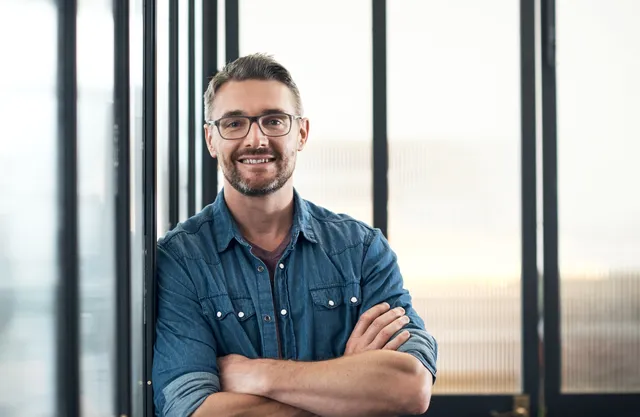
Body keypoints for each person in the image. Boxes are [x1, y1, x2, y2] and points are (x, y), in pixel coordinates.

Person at [152, 53, 438, 417]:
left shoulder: (361, 250)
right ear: (211, 139)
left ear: (301, 133)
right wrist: (346, 389)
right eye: (234, 123)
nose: (255, 140)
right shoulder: (180, 261)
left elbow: (408, 388)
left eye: (273, 121)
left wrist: (255, 375)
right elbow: (192, 409)